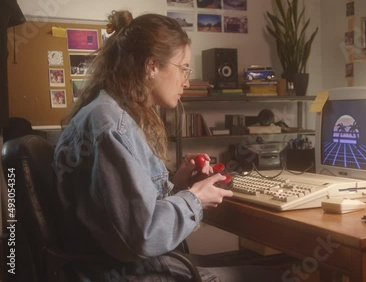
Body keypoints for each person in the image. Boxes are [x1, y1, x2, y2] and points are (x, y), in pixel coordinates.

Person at [53, 10, 289, 282]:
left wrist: (179, 185)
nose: (187, 81)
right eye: (184, 68)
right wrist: (195, 198)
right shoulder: (111, 127)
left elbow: (125, 212)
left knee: (278, 262)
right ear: (152, 66)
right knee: (289, 271)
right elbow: (142, 236)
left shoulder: (109, 114)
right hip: (128, 274)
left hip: (129, 268)